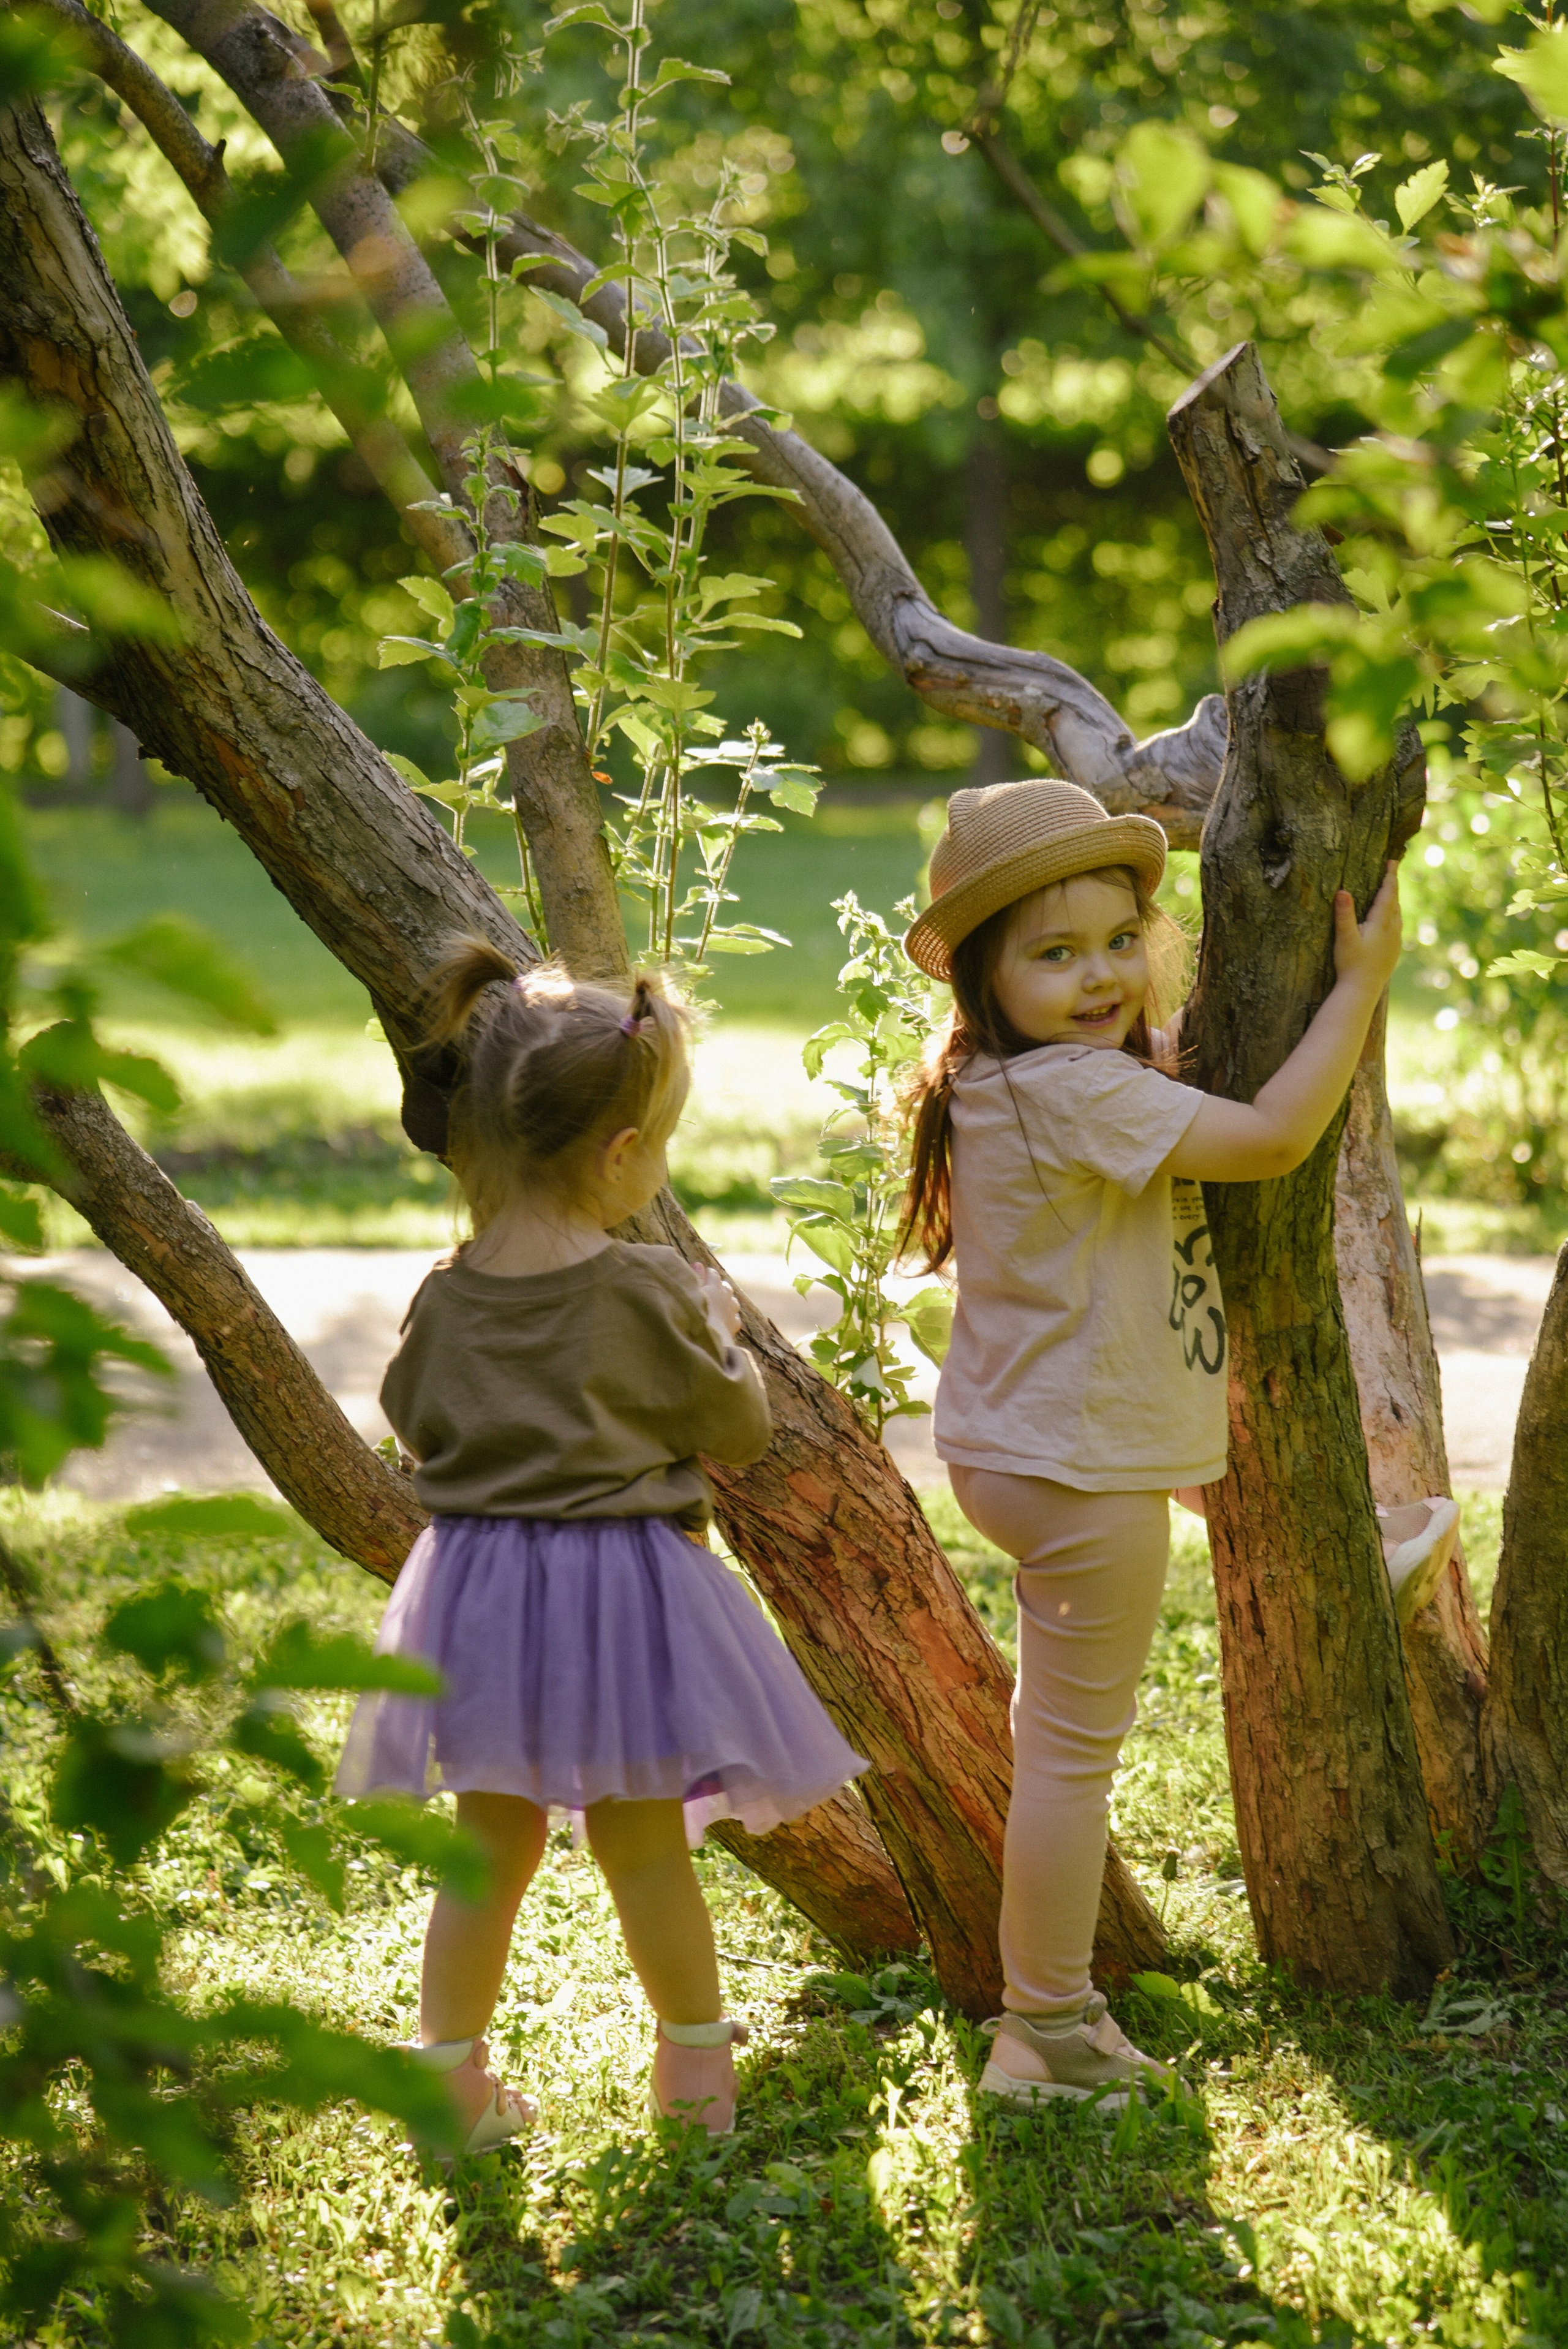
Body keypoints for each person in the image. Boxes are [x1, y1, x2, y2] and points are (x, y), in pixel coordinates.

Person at [899, 779, 1457, 2111]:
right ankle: (1042, 2027)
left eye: (1114, 940)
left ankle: (1337, 1551)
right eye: (1052, 952)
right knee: (1069, 1758)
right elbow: (1268, 1138)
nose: (1097, 975)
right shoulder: (1075, 1096)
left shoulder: (1002, 1081)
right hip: (1077, 1477)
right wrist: (1356, 987)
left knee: (1061, 1735)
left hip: (1025, 1446)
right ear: (985, 974)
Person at [336, 944, 866, 2153]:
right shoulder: (643, 1289)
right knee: (642, 1846)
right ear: (620, 1154)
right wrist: (724, 1339)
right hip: (619, 1592)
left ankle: (447, 2084)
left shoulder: (447, 1290)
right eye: (658, 1142)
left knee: (488, 1845)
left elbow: (411, 1414)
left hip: (475, 1595)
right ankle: (694, 2080)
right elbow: (732, 1426)